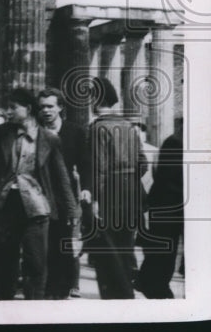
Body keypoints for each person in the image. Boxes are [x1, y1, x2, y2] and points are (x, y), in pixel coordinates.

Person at [0, 88, 76, 300]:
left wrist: (72, 211)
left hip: (37, 208)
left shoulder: (49, 139)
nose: (8, 112)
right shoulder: (2, 132)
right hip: (5, 205)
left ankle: (33, 310)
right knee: (5, 262)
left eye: (13, 108)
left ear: (28, 109)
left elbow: (62, 178)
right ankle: (5, 309)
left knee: (36, 263)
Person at [84, 76, 147, 299]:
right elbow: (143, 162)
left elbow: (98, 168)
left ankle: (119, 298)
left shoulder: (97, 128)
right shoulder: (129, 126)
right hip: (131, 191)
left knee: (106, 251)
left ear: (95, 100)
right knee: (125, 247)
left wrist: (96, 202)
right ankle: (125, 295)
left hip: (109, 192)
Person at [37, 87, 92, 299]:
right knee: (40, 242)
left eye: (50, 106)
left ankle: (59, 290)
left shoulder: (74, 132)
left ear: (60, 107)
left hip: (64, 195)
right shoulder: (34, 130)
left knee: (62, 241)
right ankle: (42, 286)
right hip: (37, 193)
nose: (46, 111)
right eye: (42, 107)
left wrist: (86, 188)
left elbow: (85, 163)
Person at [136, 117, 184, 299]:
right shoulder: (175, 142)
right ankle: (155, 291)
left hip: (171, 207)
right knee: (162, 257)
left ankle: (149, 283)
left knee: (163, 257)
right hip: (168, 207)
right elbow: (167, 181)